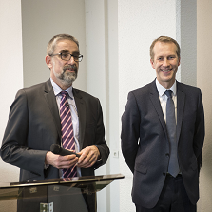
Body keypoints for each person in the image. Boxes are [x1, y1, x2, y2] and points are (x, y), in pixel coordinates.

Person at [1, 33, 109, 212]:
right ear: (48, 61)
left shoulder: (92, 103)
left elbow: (103, 148)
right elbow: (8, 150)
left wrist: (97, 152)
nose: (72, 61)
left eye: (75, 55)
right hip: (41, 198)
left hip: (81, 196)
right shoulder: (27, 98)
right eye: (64, 54)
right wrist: (47, 158)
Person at [121, 36, 204, 212]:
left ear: (179, 60)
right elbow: (128, 145)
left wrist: (190, 170)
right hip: (149, 189)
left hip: (185, 188)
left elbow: (197, 141)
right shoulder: (137, 98)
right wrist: (145, 171)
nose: (165, 63)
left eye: (171, 57)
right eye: (160, 58)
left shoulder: (194, 96)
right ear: (152, 63)